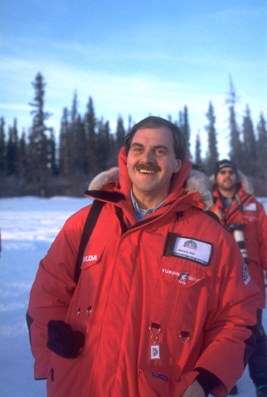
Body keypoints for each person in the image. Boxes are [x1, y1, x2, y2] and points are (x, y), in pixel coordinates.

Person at [27, 117, 259, 397]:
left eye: (160, 151)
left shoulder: (211, 236)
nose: (146, 158)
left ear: (177, 163)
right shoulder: (84, 224)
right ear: (125, 158)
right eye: (138, 149)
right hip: (78, 385)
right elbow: (46, 295)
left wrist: (209, 377)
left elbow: (238, 317)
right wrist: (50, 354)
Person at [212, 159, 267, 397]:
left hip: (251, 279)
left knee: (254, 332)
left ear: (237, 176)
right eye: (222, 172)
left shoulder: (253, 206)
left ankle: (262, 382)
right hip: (219, 280)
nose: (227, 176)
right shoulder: (205, 205)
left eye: (231, 172)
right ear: (216, 177)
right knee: (220, 332)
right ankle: (225, 379)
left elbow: (265, 242)